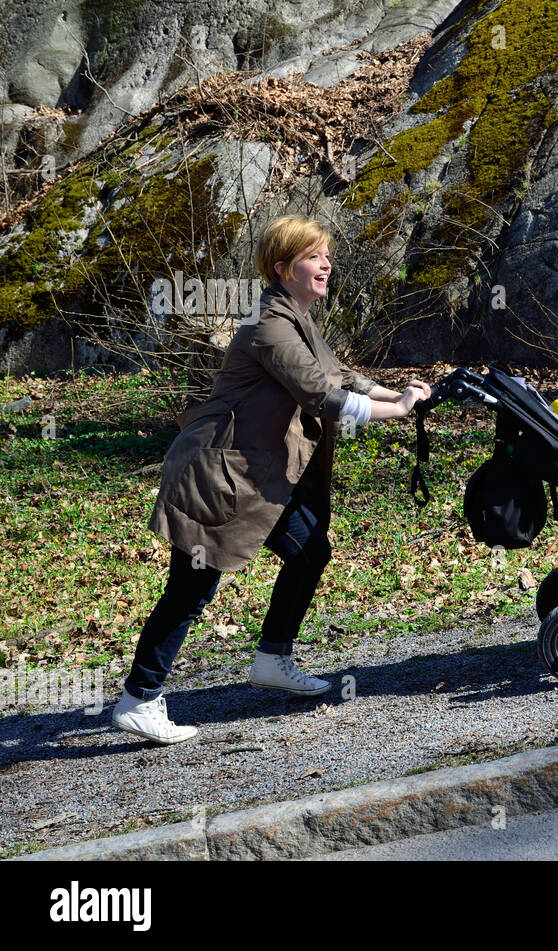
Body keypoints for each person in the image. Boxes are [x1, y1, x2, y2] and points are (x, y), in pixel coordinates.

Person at [111, 215, 431, 744]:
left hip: (256, 481)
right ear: (283, 268)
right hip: (217, 476)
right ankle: (139, 699)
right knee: (192, 588)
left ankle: (272, 658)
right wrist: (397, 410)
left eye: (326, 254)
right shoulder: (270, 325)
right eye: (313, 256)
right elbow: (320, 397)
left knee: (310, 552)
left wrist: (396, 391)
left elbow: (340, 377)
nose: (326, 264)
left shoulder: (297, 317)